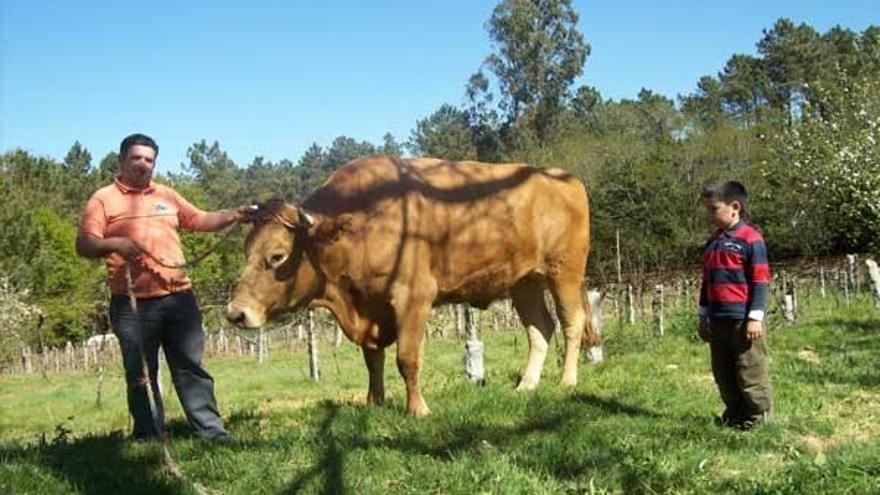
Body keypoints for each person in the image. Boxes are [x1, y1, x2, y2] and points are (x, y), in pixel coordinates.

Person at [76, 133, 250, 442]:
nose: (143, 165)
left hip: (179, 298)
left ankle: (211, 431)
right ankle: (148, 435)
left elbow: (201, 220)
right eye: (136, 158)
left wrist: (237, 213)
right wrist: (115, 243)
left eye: (149, 160)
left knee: (191, 367)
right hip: (132, 305)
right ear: (121, 160)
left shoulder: (167, 195)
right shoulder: (103, 199)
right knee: (141, 374)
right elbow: (84, 244)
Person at [697, 181, 773, 430]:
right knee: (724, 372)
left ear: (734, 207)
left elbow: (760, 280)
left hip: (743, 320)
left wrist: (755, 316)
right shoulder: (712, 243)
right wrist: (703, 316)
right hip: (718, 320)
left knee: (749, 369)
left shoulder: (751, 239)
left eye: (714, 209)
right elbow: (706, 283)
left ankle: (757, 418)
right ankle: (735, 414)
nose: (710, 215)